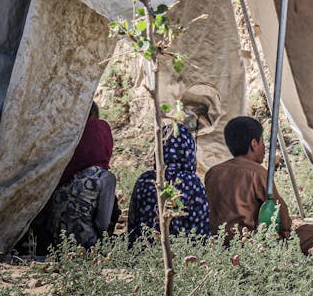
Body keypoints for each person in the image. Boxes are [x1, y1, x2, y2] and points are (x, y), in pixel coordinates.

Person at [204, 116, 313, 253]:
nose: (264, 148)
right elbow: (280, 215)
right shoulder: (257, 173)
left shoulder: (213, 172)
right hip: (251, 245)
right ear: (254, 144)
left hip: (219, 242)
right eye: (262, 142)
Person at [48, 102, 118, 248]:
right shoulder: (104, 177)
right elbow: (103, 225)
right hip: (85, 248)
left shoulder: (61, 171)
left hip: (55, 245)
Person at [127, 123, 210, 244]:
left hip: (145, 251)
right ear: (188, 150)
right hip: (183, 253)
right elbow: (202, 228)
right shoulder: (191, 182)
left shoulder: (144, 180)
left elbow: (132, 224)